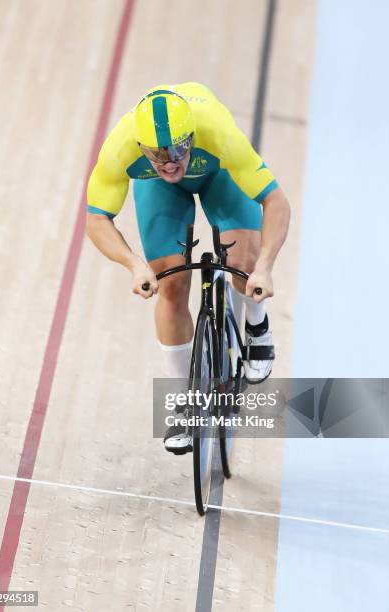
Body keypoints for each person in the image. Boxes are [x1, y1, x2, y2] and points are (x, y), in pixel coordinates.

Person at [86, 82, 290, 453]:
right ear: (140, 148)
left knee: (243, 264)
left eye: (179, 149)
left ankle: (257, 326)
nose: (170, 162)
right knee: (172, 284)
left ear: (192, 135)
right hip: (158, 192)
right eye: (157, 154)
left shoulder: (218, 132)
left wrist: (265, 266)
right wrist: (133, 264)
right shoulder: (120, 146)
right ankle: (185, 401)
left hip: (218, 176)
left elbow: (275, 201)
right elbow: (97, 218)